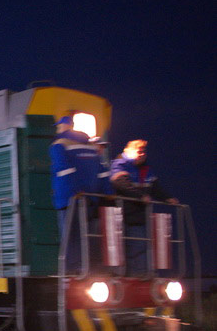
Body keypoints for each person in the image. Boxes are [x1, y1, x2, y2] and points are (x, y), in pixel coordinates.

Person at [49, 115, 109, 271]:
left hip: (69, 198)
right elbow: (102, 173)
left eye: (59, 126)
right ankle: (87, 268)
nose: (57, 129)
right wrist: (108, 193)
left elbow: (64, 170)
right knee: (86, 236)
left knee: (70, 237)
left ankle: (71, 271)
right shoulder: (90, 146)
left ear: (64, 126)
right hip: (91, 199)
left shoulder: (58, 145)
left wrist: (76, 191)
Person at [110, 139, 178, 274]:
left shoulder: (147, 170)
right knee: (120, 250)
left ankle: (139, 277)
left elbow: (156, 188)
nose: (142, 154)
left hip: (139, 218)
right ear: (128, 151)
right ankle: (124, 277)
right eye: (138, 151)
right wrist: (140, 196)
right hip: (120, 218)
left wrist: (168, 198)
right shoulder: (119, 165)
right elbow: (122, 184)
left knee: (140, 246)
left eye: (143, 152)